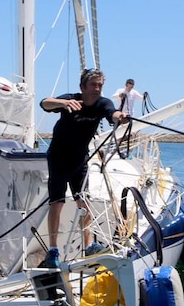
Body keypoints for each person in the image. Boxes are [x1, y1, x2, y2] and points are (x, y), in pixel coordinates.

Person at [39, 68, 128, 267]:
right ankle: (53, 250)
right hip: (58, 158)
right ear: (83, 87)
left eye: (100, 85)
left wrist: (119, 116)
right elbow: (44, 103)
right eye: (93, 85)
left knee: (83, 201)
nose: (97, 89)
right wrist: (62, 103)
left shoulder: (102, 103)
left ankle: (88, 245)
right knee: (57, 203)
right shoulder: (71, 100)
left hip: (80, 159)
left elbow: (111, 113)